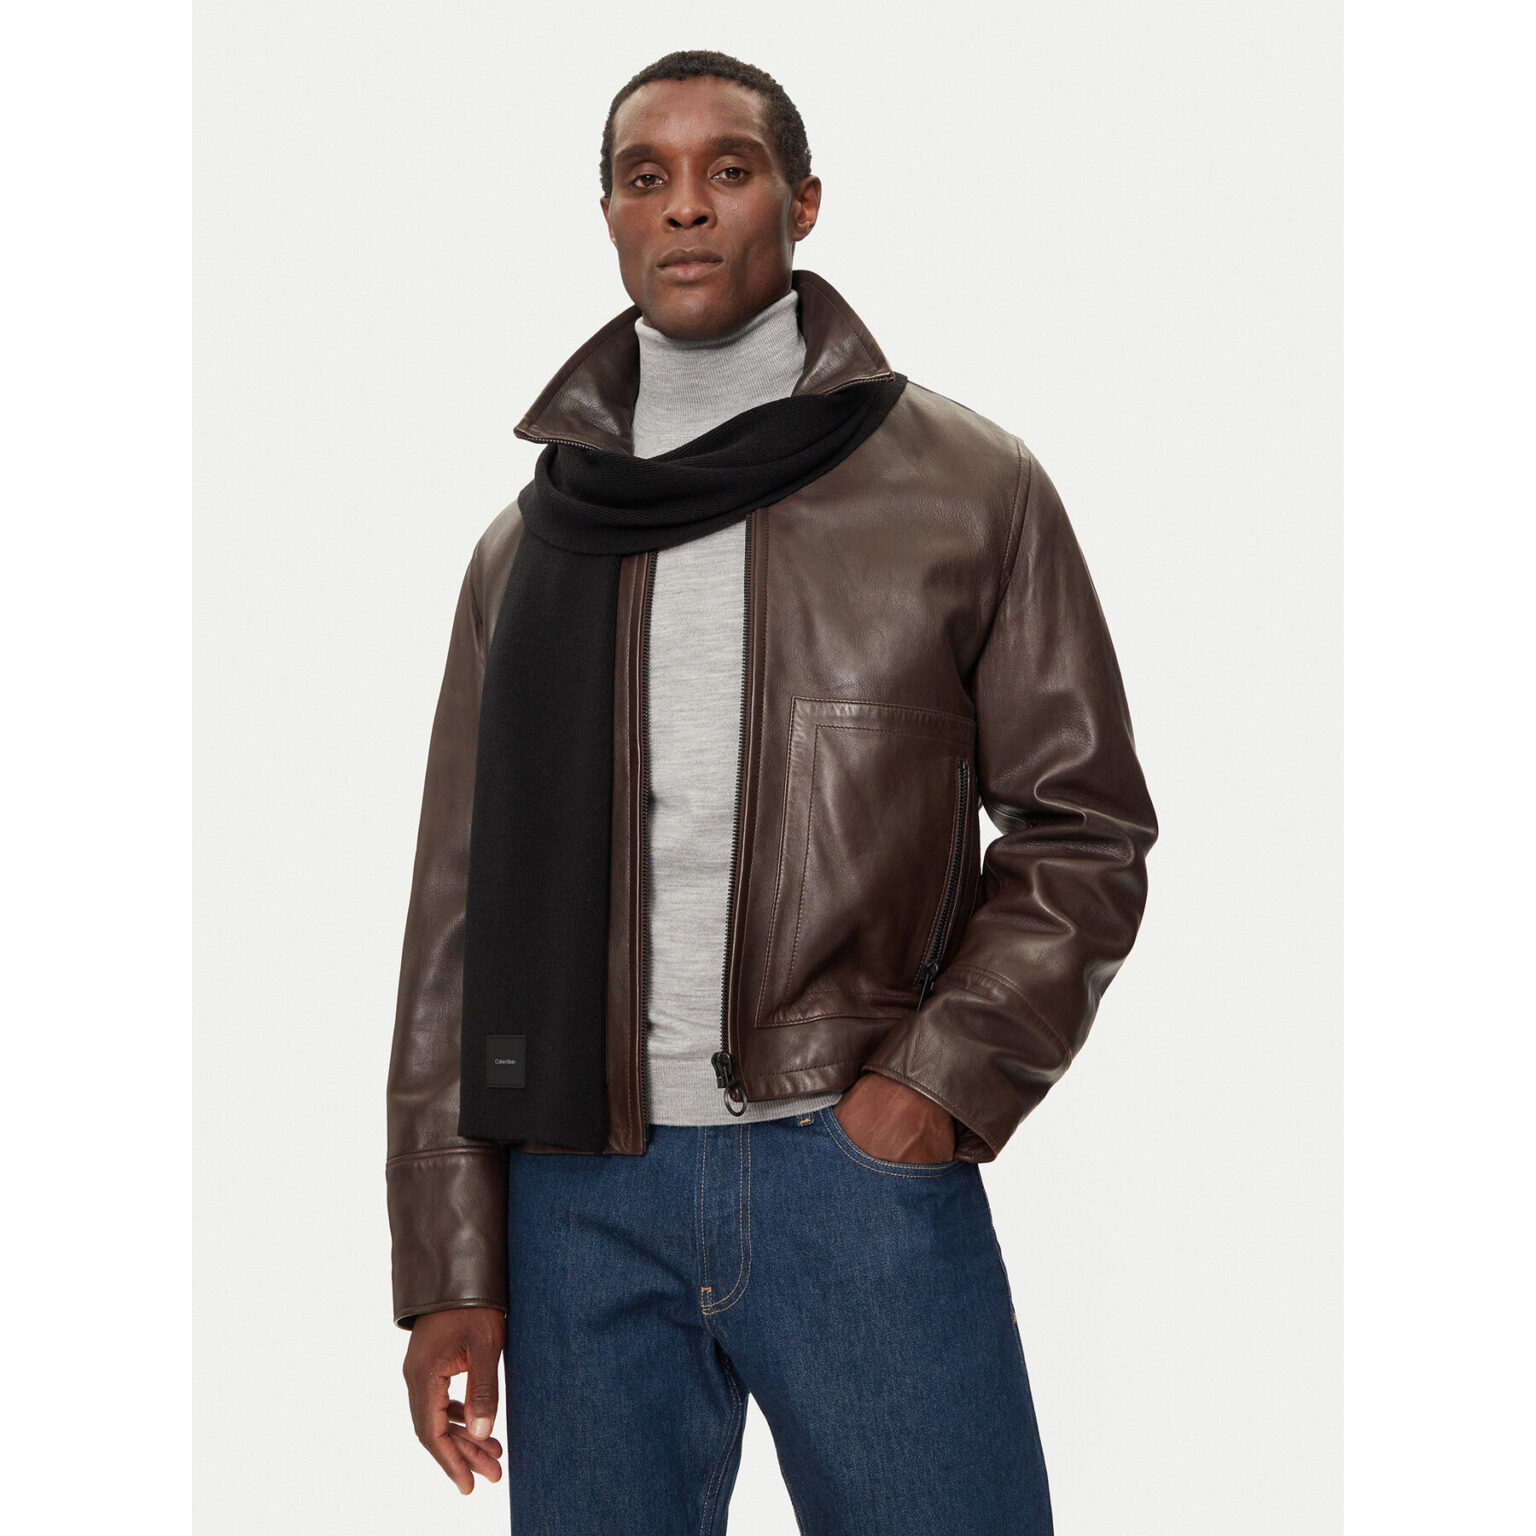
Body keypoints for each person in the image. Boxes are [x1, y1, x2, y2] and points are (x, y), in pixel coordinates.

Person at [386, 48, 1157, 1536]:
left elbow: (1086, 830)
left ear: (800, 203)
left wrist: (926, 1095)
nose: (685, 206)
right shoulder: (525, 549)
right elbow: (455, 922)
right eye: (646, 177)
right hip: (576, 1192)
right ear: (609, 217)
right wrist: (450, 1263)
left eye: (727, 171)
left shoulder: (967, 489)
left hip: (850, 1170)